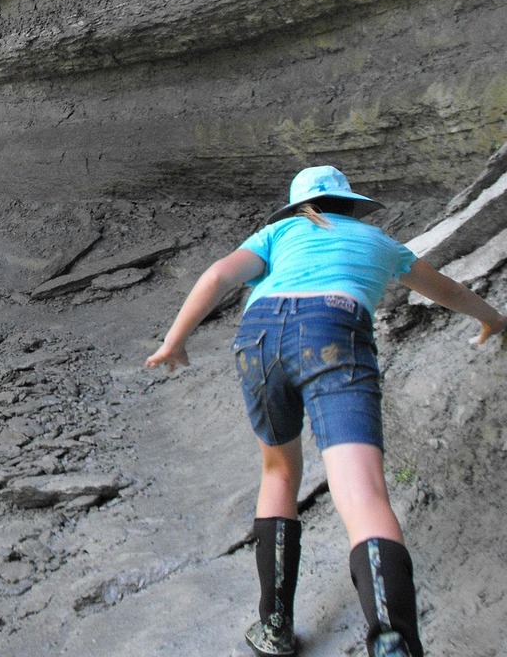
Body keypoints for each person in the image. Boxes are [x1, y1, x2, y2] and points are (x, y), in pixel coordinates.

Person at [145, 165, 507, 657]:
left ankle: (273, 629)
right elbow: (448, 290)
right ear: (352, 205)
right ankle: (393, 642)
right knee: (362, 492)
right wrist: (492, 318)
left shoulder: (279, 231)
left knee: (278, 472)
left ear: (299, 207)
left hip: (258, 336)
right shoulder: (379, 242)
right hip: (334, 330)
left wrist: (174, 341)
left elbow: (219, 275)